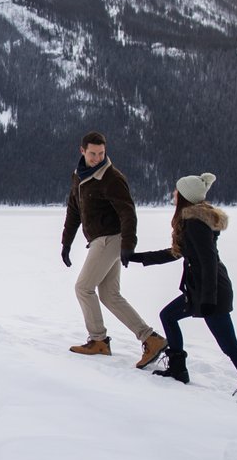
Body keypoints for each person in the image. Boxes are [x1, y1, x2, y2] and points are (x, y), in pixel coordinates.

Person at [126, 172, 237, 410]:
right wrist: (136, 258)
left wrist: (209, 300)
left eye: (176, 191)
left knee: (229, 345)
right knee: (168, 316)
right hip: (200, 290)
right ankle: (178, 369)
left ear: (185, 196)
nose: (173, 194)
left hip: (211, 293)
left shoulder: (194, 223)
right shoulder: (192, 220)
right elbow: (175, 252)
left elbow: (209, 261)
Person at [61, 131, 167, 367]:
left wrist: (128, 244)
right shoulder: (79, 175)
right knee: (109, 295)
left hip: (110, 238)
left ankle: (98, 340)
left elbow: (127, 212)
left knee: (83, 287)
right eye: (93, 153)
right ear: (82, 151)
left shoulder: (111, 177)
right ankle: (151, 339)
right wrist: (66, 242)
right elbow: (74, 211)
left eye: (101, 153)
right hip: (101, 239)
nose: (98, 157)